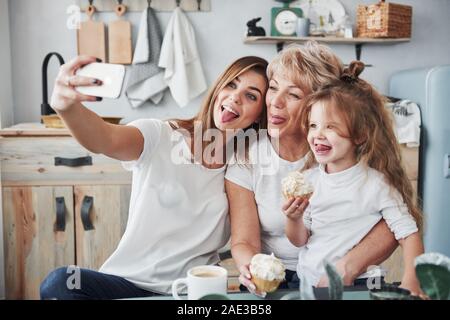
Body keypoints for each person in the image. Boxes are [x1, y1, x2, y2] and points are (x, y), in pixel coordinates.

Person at [39, 55, 269, 299]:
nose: (235, 97)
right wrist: (67, 107)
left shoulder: (242, 166)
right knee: (61, 282)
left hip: (191, 291)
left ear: (258, 115)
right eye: (231, 85)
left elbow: (246, 241)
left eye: (251, 95)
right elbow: (104, 138)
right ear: (218, 88)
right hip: (127, 285)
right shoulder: (160, 135)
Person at [225, 42, 398, 295]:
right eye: (273, 89)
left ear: (319, 102)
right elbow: (243, 241)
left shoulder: (343, 151)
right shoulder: (247, 156)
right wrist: (254, 269)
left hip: (340, 276)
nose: (276, 102)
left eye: (293, 95)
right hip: (273, 280)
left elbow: (397, 221)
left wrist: (346, 268)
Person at [284, 61, 425, 297]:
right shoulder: (309, 180)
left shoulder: (377, 185)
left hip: (358, 286)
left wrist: (411, 282)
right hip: (306, 282)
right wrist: (293, 218)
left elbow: (409, 235)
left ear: (360, 135)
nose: (317, 134)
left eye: (330, 126)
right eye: (313, 125)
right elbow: (300, 240)